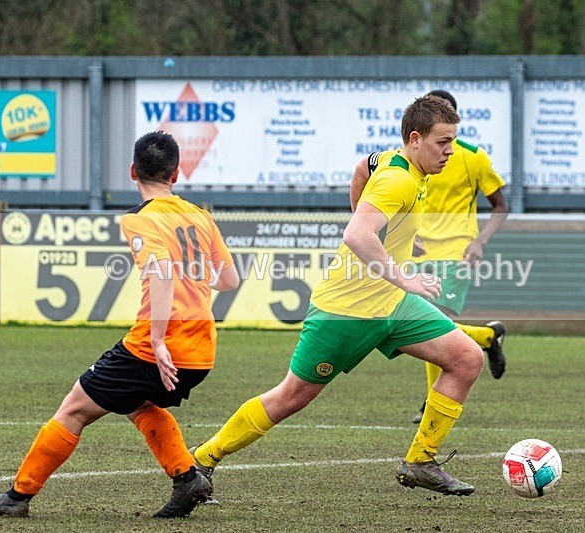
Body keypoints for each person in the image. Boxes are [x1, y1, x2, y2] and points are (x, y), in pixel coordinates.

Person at [191, 95, 484, 498]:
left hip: (391, 306)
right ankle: (202, 459)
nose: (450, 151)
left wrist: (386, 241)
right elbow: (356, 234)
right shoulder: (398, 179)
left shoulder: (392, 161)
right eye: (442, 142)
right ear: (415, 139)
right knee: (291, 396)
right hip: (345, 311)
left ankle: (421, 460)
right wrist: (404, 277)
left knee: (467, 358)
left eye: (453, 140)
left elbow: (362, 170)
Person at [0, 131, 240, 519]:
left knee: (73, 410)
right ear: (176, 175)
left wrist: (158, 340)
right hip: (201, 350)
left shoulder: (140, 220)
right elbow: (229, 280)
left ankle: (17, 497)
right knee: (136, 404)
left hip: (156, 348)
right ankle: (187, 478)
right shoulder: (199, 216)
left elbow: (163, 273)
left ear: (133, 171)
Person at [350, 90, 510, 424]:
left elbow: (500, 204)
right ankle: (487, 336)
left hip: (456, 252)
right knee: (431, 326)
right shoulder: (403, 157)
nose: (445, 148)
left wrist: (480, 241)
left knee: (432, 322)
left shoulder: (473, 157)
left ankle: (430, 404)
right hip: (415, 254)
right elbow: (363, 171)